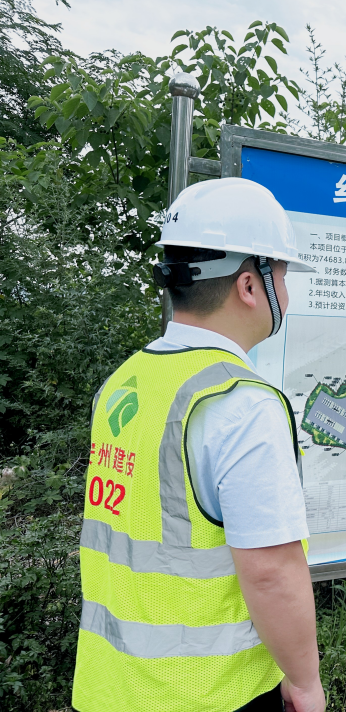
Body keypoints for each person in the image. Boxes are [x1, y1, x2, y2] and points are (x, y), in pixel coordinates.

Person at [73, 178, 326, 712]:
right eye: (282, 275)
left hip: (108, 686)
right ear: (250, 285)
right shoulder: (243, 403)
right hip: (210, 695)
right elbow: (270, 571)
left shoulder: (125, 381)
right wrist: (304, 682)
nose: (286, 291)